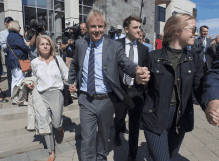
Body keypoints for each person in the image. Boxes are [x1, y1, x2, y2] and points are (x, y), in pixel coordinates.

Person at [68, 9, 150, 161]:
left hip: (107, 100)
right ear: (87, 26)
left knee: (103, 138)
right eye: (93, 26)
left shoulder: (114, 46)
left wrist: (137, 70)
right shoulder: (80, 44)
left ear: (104, 27)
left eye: (100, 26)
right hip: (86, 99)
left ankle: (101, 158)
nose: (96, 30)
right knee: (87, 140)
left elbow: (126, 64)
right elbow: (74, 64)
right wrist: (70, 81)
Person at [141, 13, 204, 161]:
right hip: (155, 115)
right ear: (177, 30)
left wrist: (211, 105)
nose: (196, 33)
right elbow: (140, 89)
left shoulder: (194, 58)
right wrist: (138, 80)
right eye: (192, 29)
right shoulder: (153, 57)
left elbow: (200, 87)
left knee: (170, 157)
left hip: (180, 117)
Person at [25, 35, 68, 161]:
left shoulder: (58, 60)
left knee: (55, 122)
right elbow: (33, 78)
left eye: (47, 44)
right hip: (41, 94)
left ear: (51, 46)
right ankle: (51, 151)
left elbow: (66, 74)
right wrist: (30, 84)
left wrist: (72, 84)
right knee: (45, 123)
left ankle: (60, 127)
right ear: (38, 47)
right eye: (42, 44)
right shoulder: (34, 62)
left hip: (56, 94)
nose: (45, 46)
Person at [114, 16, 149, 161]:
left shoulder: (144, 49)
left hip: (136, 91)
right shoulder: (115, 45)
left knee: (134, 126)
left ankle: (132, 155)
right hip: (120, 90)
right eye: (135, 27)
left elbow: (147, 70)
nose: (138, 30)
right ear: (126, 29)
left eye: (139, 27)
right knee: (120, 119)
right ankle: (117, 133)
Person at [6, 21, 30, 101]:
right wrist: (28, 46)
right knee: (20, 79)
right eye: (19, 27)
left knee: (14, 79)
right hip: (18, 60)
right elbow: (23, 46)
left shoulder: (9, 35)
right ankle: (19, 98)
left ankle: (14, 98)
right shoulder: (16, 36)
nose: (20, 29)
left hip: (12, 60)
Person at [0, 16, 14, 97]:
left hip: (16, 56)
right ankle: (12, 92)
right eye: (7, 23)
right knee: (10, 75)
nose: (8, 24)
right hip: (8, 56)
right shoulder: (2, 33)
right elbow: (4, 47)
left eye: (10, 22)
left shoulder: (16, 31)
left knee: (18, 74)